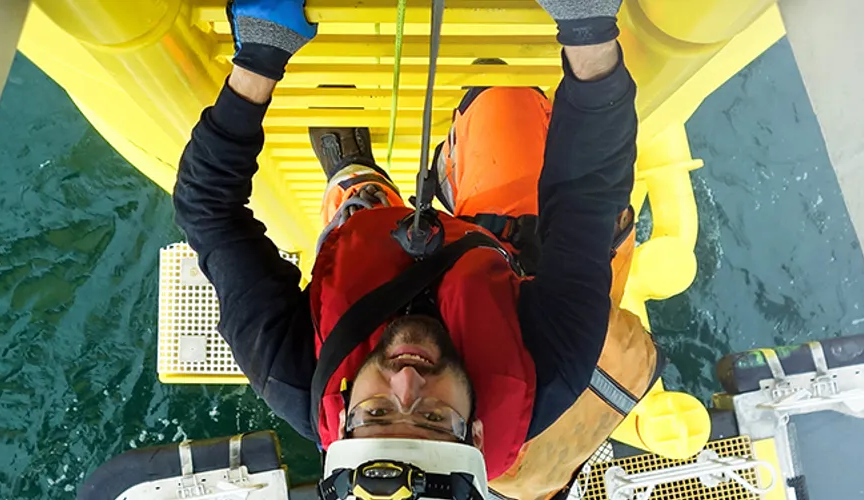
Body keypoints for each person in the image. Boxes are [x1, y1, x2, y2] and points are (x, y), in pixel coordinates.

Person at [172, 0, 638, 497]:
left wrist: (260, 61)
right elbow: (586, 194)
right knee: (503, 89)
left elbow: (209, 212)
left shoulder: (293, 375)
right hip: (504, 254)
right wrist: (588, 31)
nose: (408, 381)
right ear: (475, 433)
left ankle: (358, 181)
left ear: (346, 420)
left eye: (376, 412)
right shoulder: (552, 370)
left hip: (371, 255)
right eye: (435, 418)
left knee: (353, 208)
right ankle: (459, 148)